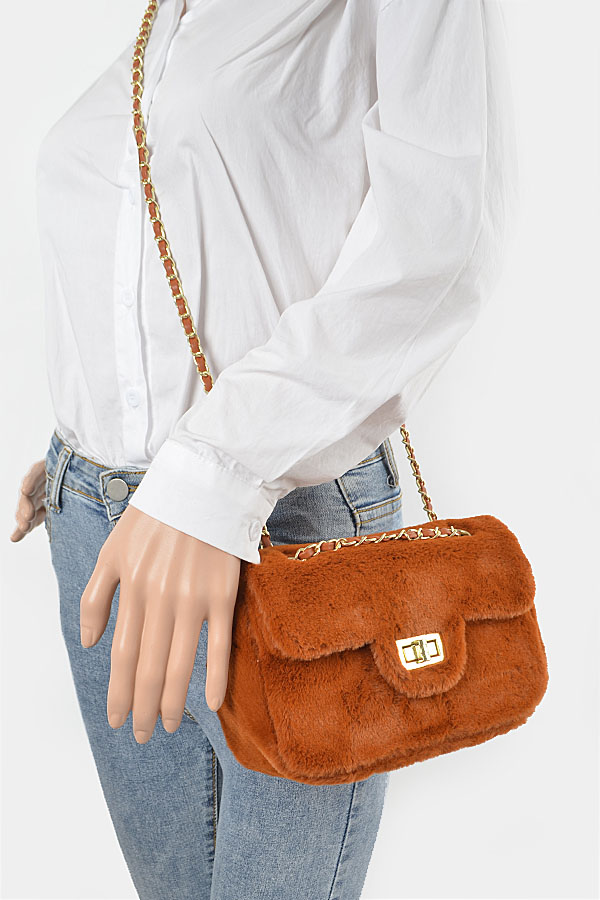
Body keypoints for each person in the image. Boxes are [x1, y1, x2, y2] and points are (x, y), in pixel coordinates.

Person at [10, 0, 517, 897]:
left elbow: (438, 236)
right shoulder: (164, 22)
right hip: (104, 531)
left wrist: (210, 465)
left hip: (283, 528)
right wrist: (106, 433)